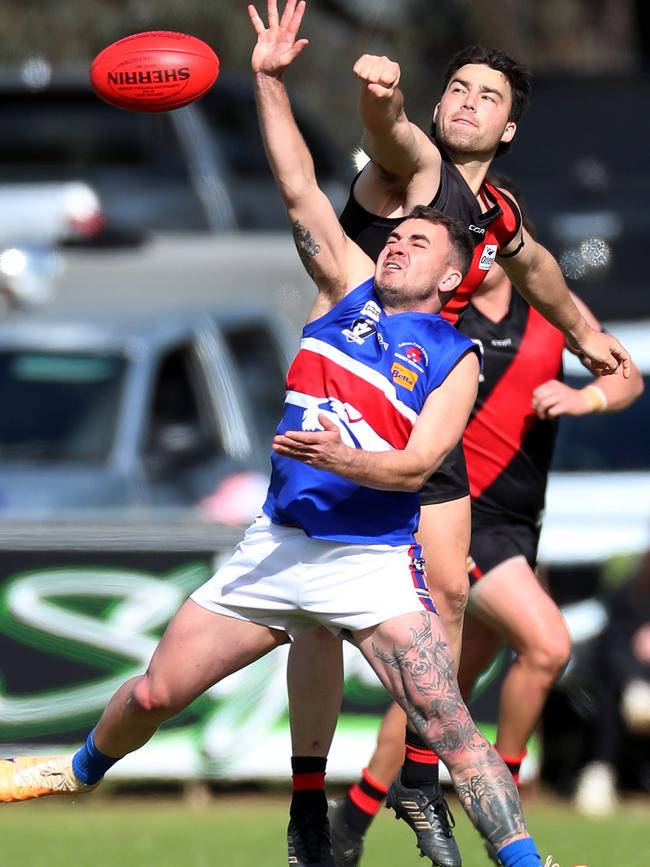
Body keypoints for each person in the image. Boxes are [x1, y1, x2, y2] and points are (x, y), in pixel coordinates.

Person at [0, 4, 546, 867]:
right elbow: (299, 185)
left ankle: (525, 862)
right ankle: (74, 769)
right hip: (278, 546)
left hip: (369, 563)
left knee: (451, 723)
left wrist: (342, 457)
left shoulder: (456, 353)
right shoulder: (343, 288)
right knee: (155, 690)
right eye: (394, 233)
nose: (397, 240)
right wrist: (266, 79)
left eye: (418, 237)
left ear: (454, 270)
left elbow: (412, 469)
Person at [285, 31, 631, 867]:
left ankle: (405, 783)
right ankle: (323, 801)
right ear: (440, 107)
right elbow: (389, 133)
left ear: (510, 128)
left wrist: (589, 339)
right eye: (460, 90)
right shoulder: (414, 173)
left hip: (421, 419)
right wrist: (379, 94)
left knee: (444, 602)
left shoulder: (493, 213)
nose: (470, 103)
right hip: (350, 410)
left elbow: (539, 265)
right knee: (308, 624)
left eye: (491, 96)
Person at [327, 224, 643, 867]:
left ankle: (351, 820)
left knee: (439, 689)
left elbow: (626, 378)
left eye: (504, 231)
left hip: (521, 523)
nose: (492, 244)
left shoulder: (552, 309)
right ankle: (505, 805)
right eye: (480, 231)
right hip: (461, 517)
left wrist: (586, 397)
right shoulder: (444, 308)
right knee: (549, 643)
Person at [573, 547, 650, 816]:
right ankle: (600, 771)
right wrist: (635, 680)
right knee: (610, 689)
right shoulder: (631, 589)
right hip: (625, 683)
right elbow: (615, 643)